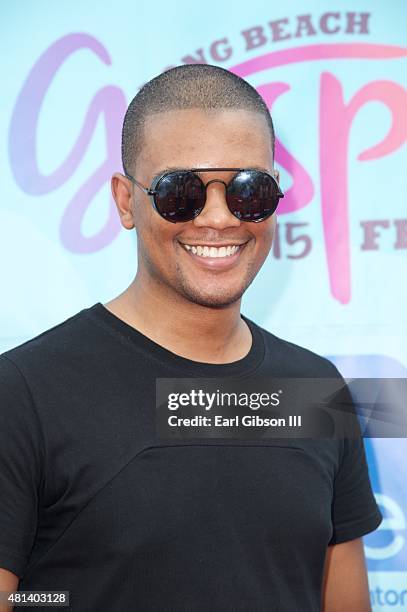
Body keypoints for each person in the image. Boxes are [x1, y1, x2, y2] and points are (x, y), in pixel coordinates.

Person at [0, 64, 382, 612]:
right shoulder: (23, 394)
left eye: (249, 190)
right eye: (182, 192)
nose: (220, 218)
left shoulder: (315, 389)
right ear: (126, 201)